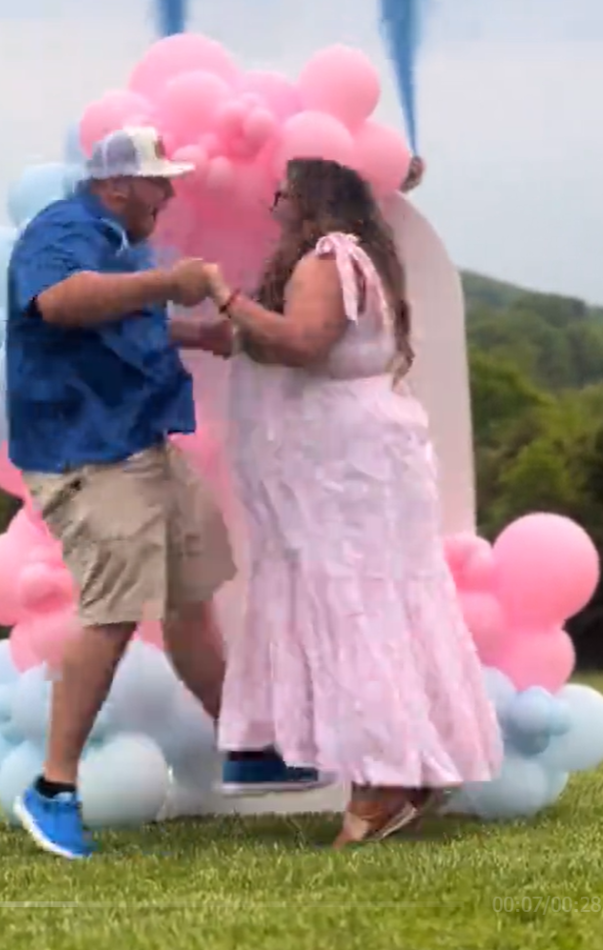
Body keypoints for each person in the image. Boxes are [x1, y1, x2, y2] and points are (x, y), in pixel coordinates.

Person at [6, 127, 322, 860]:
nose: (171, 192)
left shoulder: (115, 235)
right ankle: (52, 788)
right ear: (118, 184)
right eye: (159, 181)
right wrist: (169, 283)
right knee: (113, 613)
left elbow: (113, 320)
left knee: (191, 596)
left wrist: (190, 332)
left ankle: (242, 747)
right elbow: (58, 302)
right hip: (90, 456)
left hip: (142, 445)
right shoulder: (65, 228)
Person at [202, 156, 503, 848]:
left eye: (284, 193)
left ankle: (382, 782)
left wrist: (222, 296)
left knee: (355, 606)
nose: (275, 204)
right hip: (362, 462)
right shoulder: (356, 259)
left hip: (346, 468)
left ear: (310, 201)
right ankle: (408, 765)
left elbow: (304, 343)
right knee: (383, 605)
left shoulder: (327, 258)